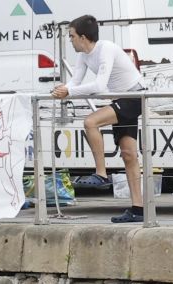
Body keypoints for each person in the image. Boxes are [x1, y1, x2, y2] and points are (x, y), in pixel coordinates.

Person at [55, 13, 148, 222]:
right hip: (121, 99)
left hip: (133, 97)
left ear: (83, 37)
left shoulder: (105, 48)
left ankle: (101, 173)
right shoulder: (83, 55)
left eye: (71, 36)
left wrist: (69, 93)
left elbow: (99, 86)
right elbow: (76, 81)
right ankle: (138, 210)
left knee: (90, 121)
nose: (70, 41)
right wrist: (62, 89)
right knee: (128, 155)